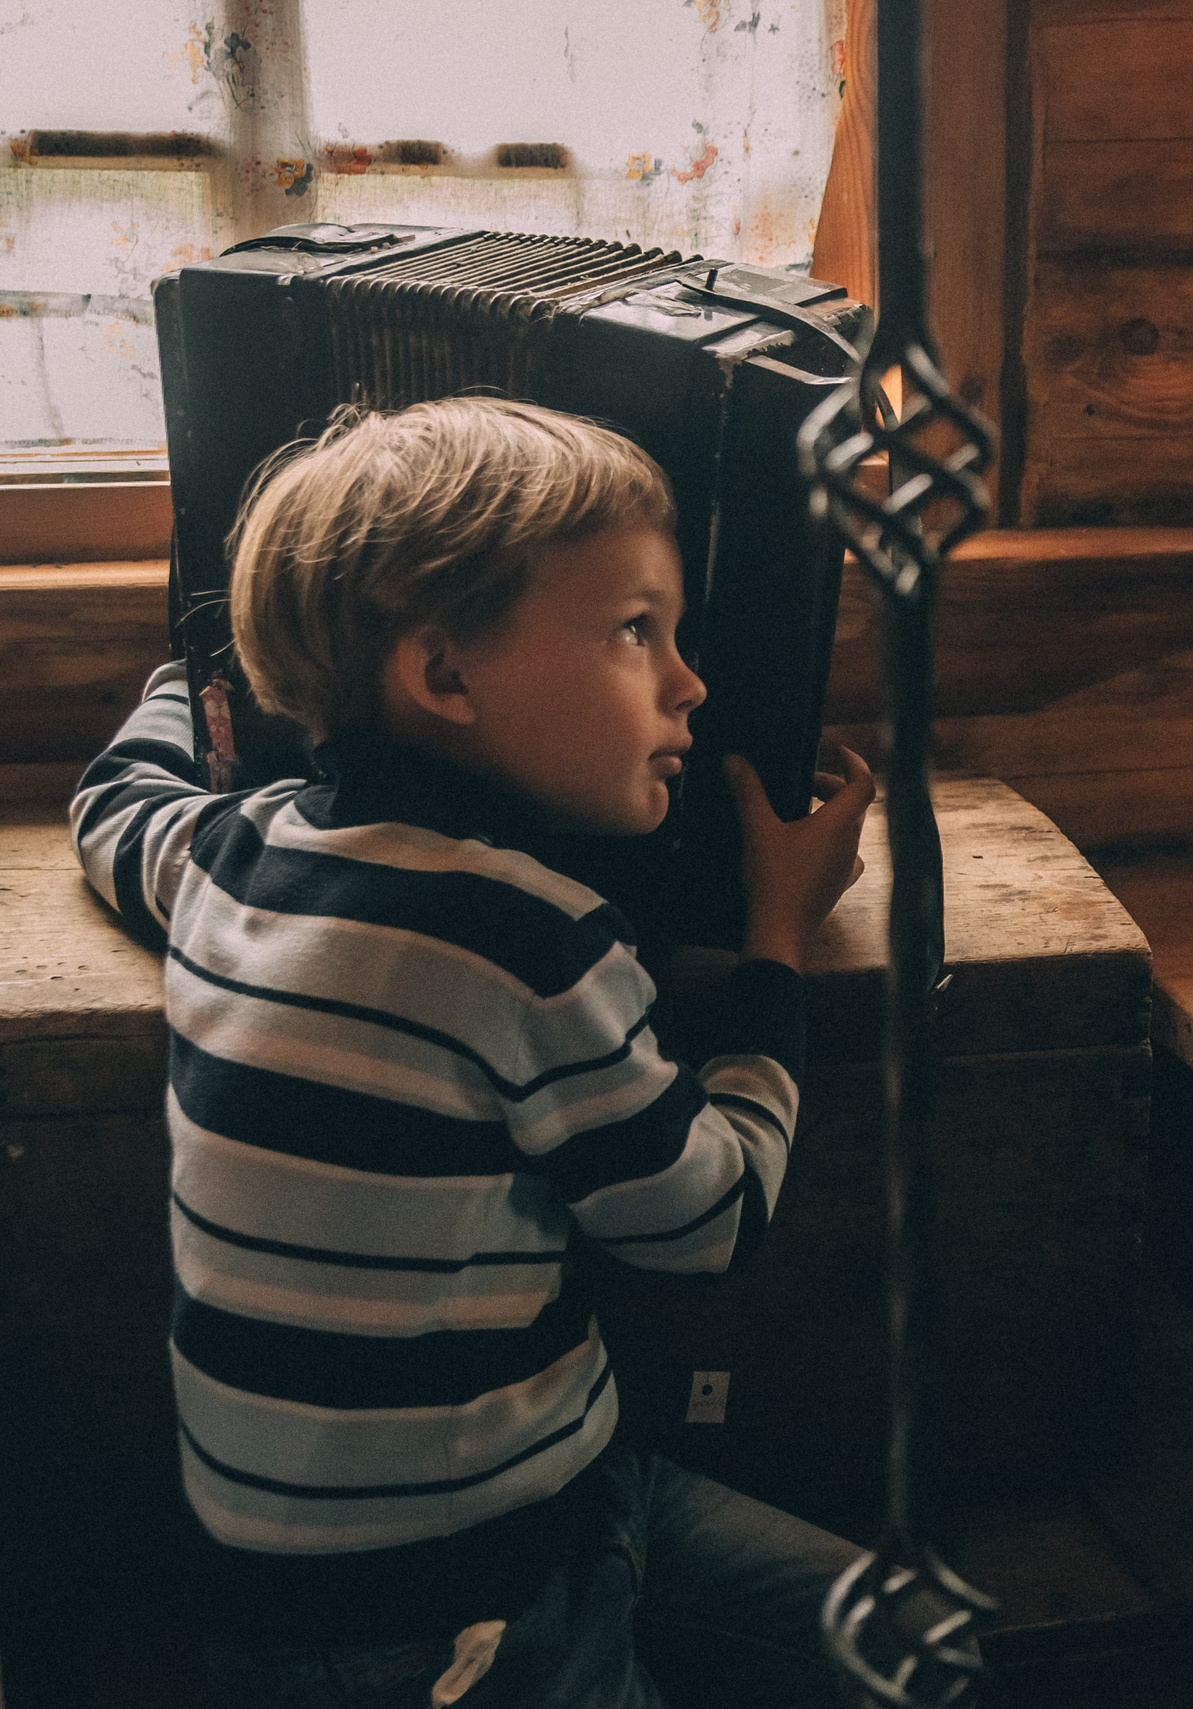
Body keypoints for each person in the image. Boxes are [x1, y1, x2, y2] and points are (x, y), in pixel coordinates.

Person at [71, 398, 877, 1708]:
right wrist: (779, 936)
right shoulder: (522, 936)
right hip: (467, 1606)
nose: (692, 683)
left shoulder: (237, 854)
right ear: (445, 677)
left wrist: (188, 687)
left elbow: (117, 803)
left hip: (443, 1535)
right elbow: (707, 1221)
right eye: (635, 633)